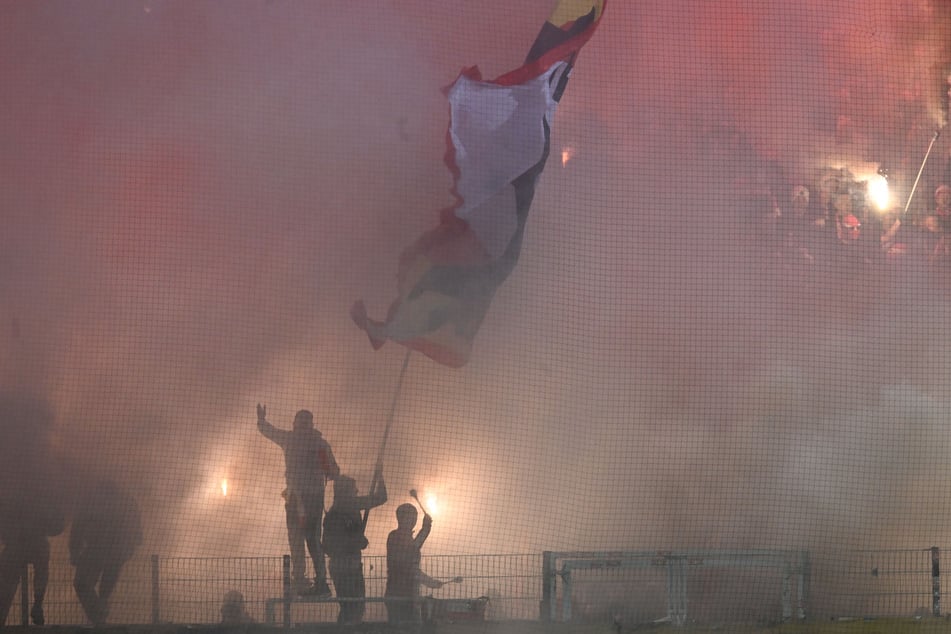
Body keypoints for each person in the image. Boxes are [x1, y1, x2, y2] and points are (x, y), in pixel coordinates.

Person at [257, 404, 339, 597]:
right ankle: (308, 581)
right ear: (295, 424)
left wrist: (326, 467)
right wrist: (261, 421)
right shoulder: (311, 442)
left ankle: (313, 582)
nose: (302, 426)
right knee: (302, 539)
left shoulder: (315, 444)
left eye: (305, 422)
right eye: (300, 422)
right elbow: (335, 472)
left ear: (310, 424)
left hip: (307, 498)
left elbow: (334, 471)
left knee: (307, 539)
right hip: (300, 498)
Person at [70, 479, 143, 626]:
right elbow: (138, 534)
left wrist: (74, 551)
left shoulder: (91, 501)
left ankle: (99, 618)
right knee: (102, 591)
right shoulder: (128, 502)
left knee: (82, 583)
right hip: (118, 552)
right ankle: (100, 616)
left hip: (100, 550)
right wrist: (130, 547)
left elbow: (77, 527)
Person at [322, 473, 387, 624]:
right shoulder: (338, 512)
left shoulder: (348, 507)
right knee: (352, 607)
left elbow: (381, 497)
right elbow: (329, 546)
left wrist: (379, 475)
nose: (357, 491)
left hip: (351, 565)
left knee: (355, 607)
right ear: (344, 491)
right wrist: (354, 542)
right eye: (353, 489)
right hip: (343, 567)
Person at [0, 493, 65, 626]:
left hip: (18, 544)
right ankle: (37, 605)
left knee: (8, 578)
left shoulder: (13, 494)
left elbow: (57, 524)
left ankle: (5, 613)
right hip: (29, 543)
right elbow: (57, 525)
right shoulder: (44, 495)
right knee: (39, 569)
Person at [385, 503, 447, 627]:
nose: (414, 520)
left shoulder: (397, 537)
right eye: (412, 517)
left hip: (406, 594)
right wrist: (425, 529)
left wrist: (425, 529)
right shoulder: (396, 537)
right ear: (402, 518)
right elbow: (410, 560)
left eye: (415, 517)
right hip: (401, 595)